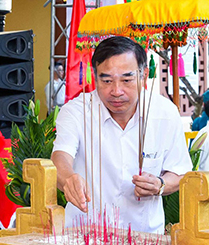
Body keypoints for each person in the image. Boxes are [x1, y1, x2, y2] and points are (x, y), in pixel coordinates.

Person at [51, 36, 191, 234]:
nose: (116, 91)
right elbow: (60, 157)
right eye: (106, 80)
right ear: (95, 76)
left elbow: (181, 172)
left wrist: (160, 185)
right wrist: (68, 179)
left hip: (145, 238)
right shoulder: (77, 111)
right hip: (84, 237)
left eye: (126, 80)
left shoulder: (165, 113)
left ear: (143, 75)